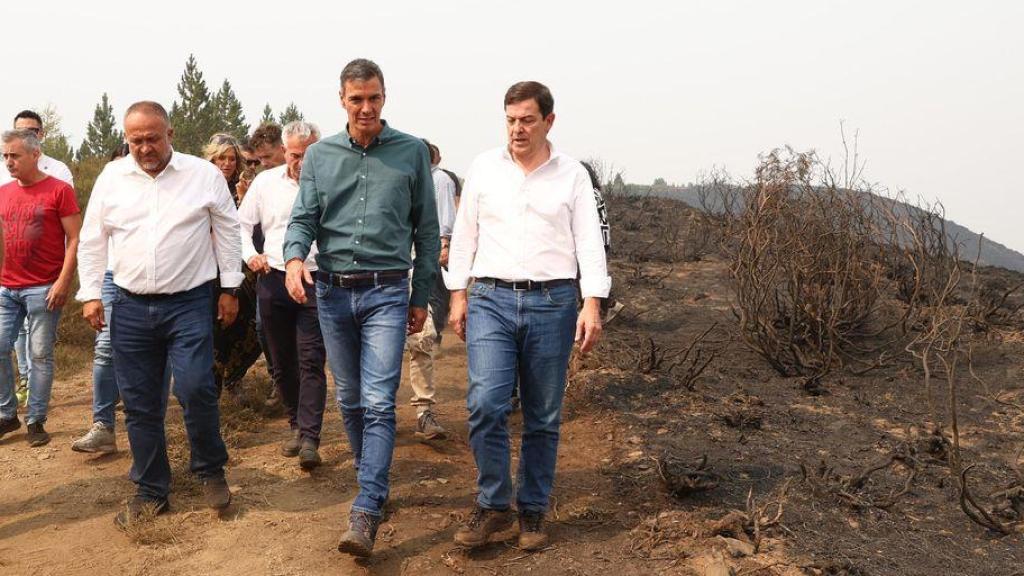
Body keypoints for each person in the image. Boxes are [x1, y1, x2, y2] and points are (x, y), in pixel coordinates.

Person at [283, 58, 439, 558]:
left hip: (387, 292)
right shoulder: (321, 156)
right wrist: (291, 259)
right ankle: (370, 476)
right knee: (348, 398)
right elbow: (303, 218)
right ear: (342, 100)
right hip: (330, 291)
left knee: (377, 399)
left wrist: (421, 297)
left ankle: (367, 506)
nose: (366, 107)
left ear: (385, 97)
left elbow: (428, 233)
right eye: (356, 99)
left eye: (373, 98)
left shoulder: (412, 152)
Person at [447, 81, 609, 551]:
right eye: (511, 120)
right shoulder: (484, 167)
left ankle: (533, 509)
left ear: (548, 122)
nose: (517, 129)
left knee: (542, 414)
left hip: (553, 302)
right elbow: (465, 235)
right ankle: (493, 502)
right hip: (491, 299)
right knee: (484, 404)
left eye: (527, 120)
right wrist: (458, 294)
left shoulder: (572, 175)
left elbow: (588, 244)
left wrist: (592, 302)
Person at [77, 101, 241, 527]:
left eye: (153, 138)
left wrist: (230, 287)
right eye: (136, 140)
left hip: (188, 302)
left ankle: (210, 470)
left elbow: (227, 229)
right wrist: (91, 293)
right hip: (129, 305)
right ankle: (151, 488)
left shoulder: (201, 175)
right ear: (126, 139)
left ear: (170, 134)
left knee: (195, 388)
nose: (145, 147)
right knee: (139, 404)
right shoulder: (113, 178)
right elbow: (94, 238)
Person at [238, 120, 326, 470]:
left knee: (311, 358)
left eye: (308, 154)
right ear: (284, 151)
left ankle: (310, 436)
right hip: (273, 277)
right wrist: (250, 256)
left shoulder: (331, 181)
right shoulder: (265, 183)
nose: (300, 161)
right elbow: (239, 226)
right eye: (294, 154)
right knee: (282, 360)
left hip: (317, 279)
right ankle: (295, 422)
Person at [0, 129, 81, 446]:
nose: (9, 161)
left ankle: (36, 420)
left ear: (35, 155)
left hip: (44, 287)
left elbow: (74, 237)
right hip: (7, 287)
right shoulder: (4, 192)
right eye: (5, 156)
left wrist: (63, 280)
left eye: (15, 155)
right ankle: (7, 415)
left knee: (39, 355)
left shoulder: (59, 190)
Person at [70, 142, 132, 454]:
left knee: (154, 352)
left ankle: (144, 420)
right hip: (111, 277)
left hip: (153, 284)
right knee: (106, 345)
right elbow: (90, 241)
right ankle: (103, 425)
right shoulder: (106, 192)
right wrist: (89, 293)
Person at [403, 139, 456, 441]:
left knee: (422, 340)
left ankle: (424, 411)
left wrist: (443, 245)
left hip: (419, 268)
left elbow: (439, 226)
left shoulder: (438, 182)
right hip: (386, 273)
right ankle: (376, 414)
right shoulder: (393, 180)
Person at [203, 133, 262, 392]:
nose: (226, 163)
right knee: (213, 328)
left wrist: (244, 199)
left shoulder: (245, 188)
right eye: (220, 158)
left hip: (242, 270)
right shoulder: (199, 187)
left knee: (250, 325)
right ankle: (211, 387)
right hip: (206, 269)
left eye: (231, 158)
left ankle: (233, 376)